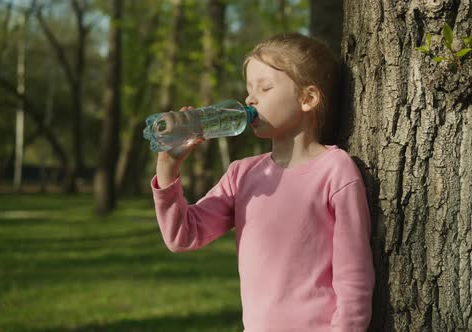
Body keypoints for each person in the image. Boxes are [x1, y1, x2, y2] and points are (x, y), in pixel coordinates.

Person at [151, 32, 374, 331]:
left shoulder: (335, 171)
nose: (249, 99)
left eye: (265, 88)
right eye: (248, 89)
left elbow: (354, 277)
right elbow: (183, 235)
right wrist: (168, 166)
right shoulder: (241, 175)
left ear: (307, 98)